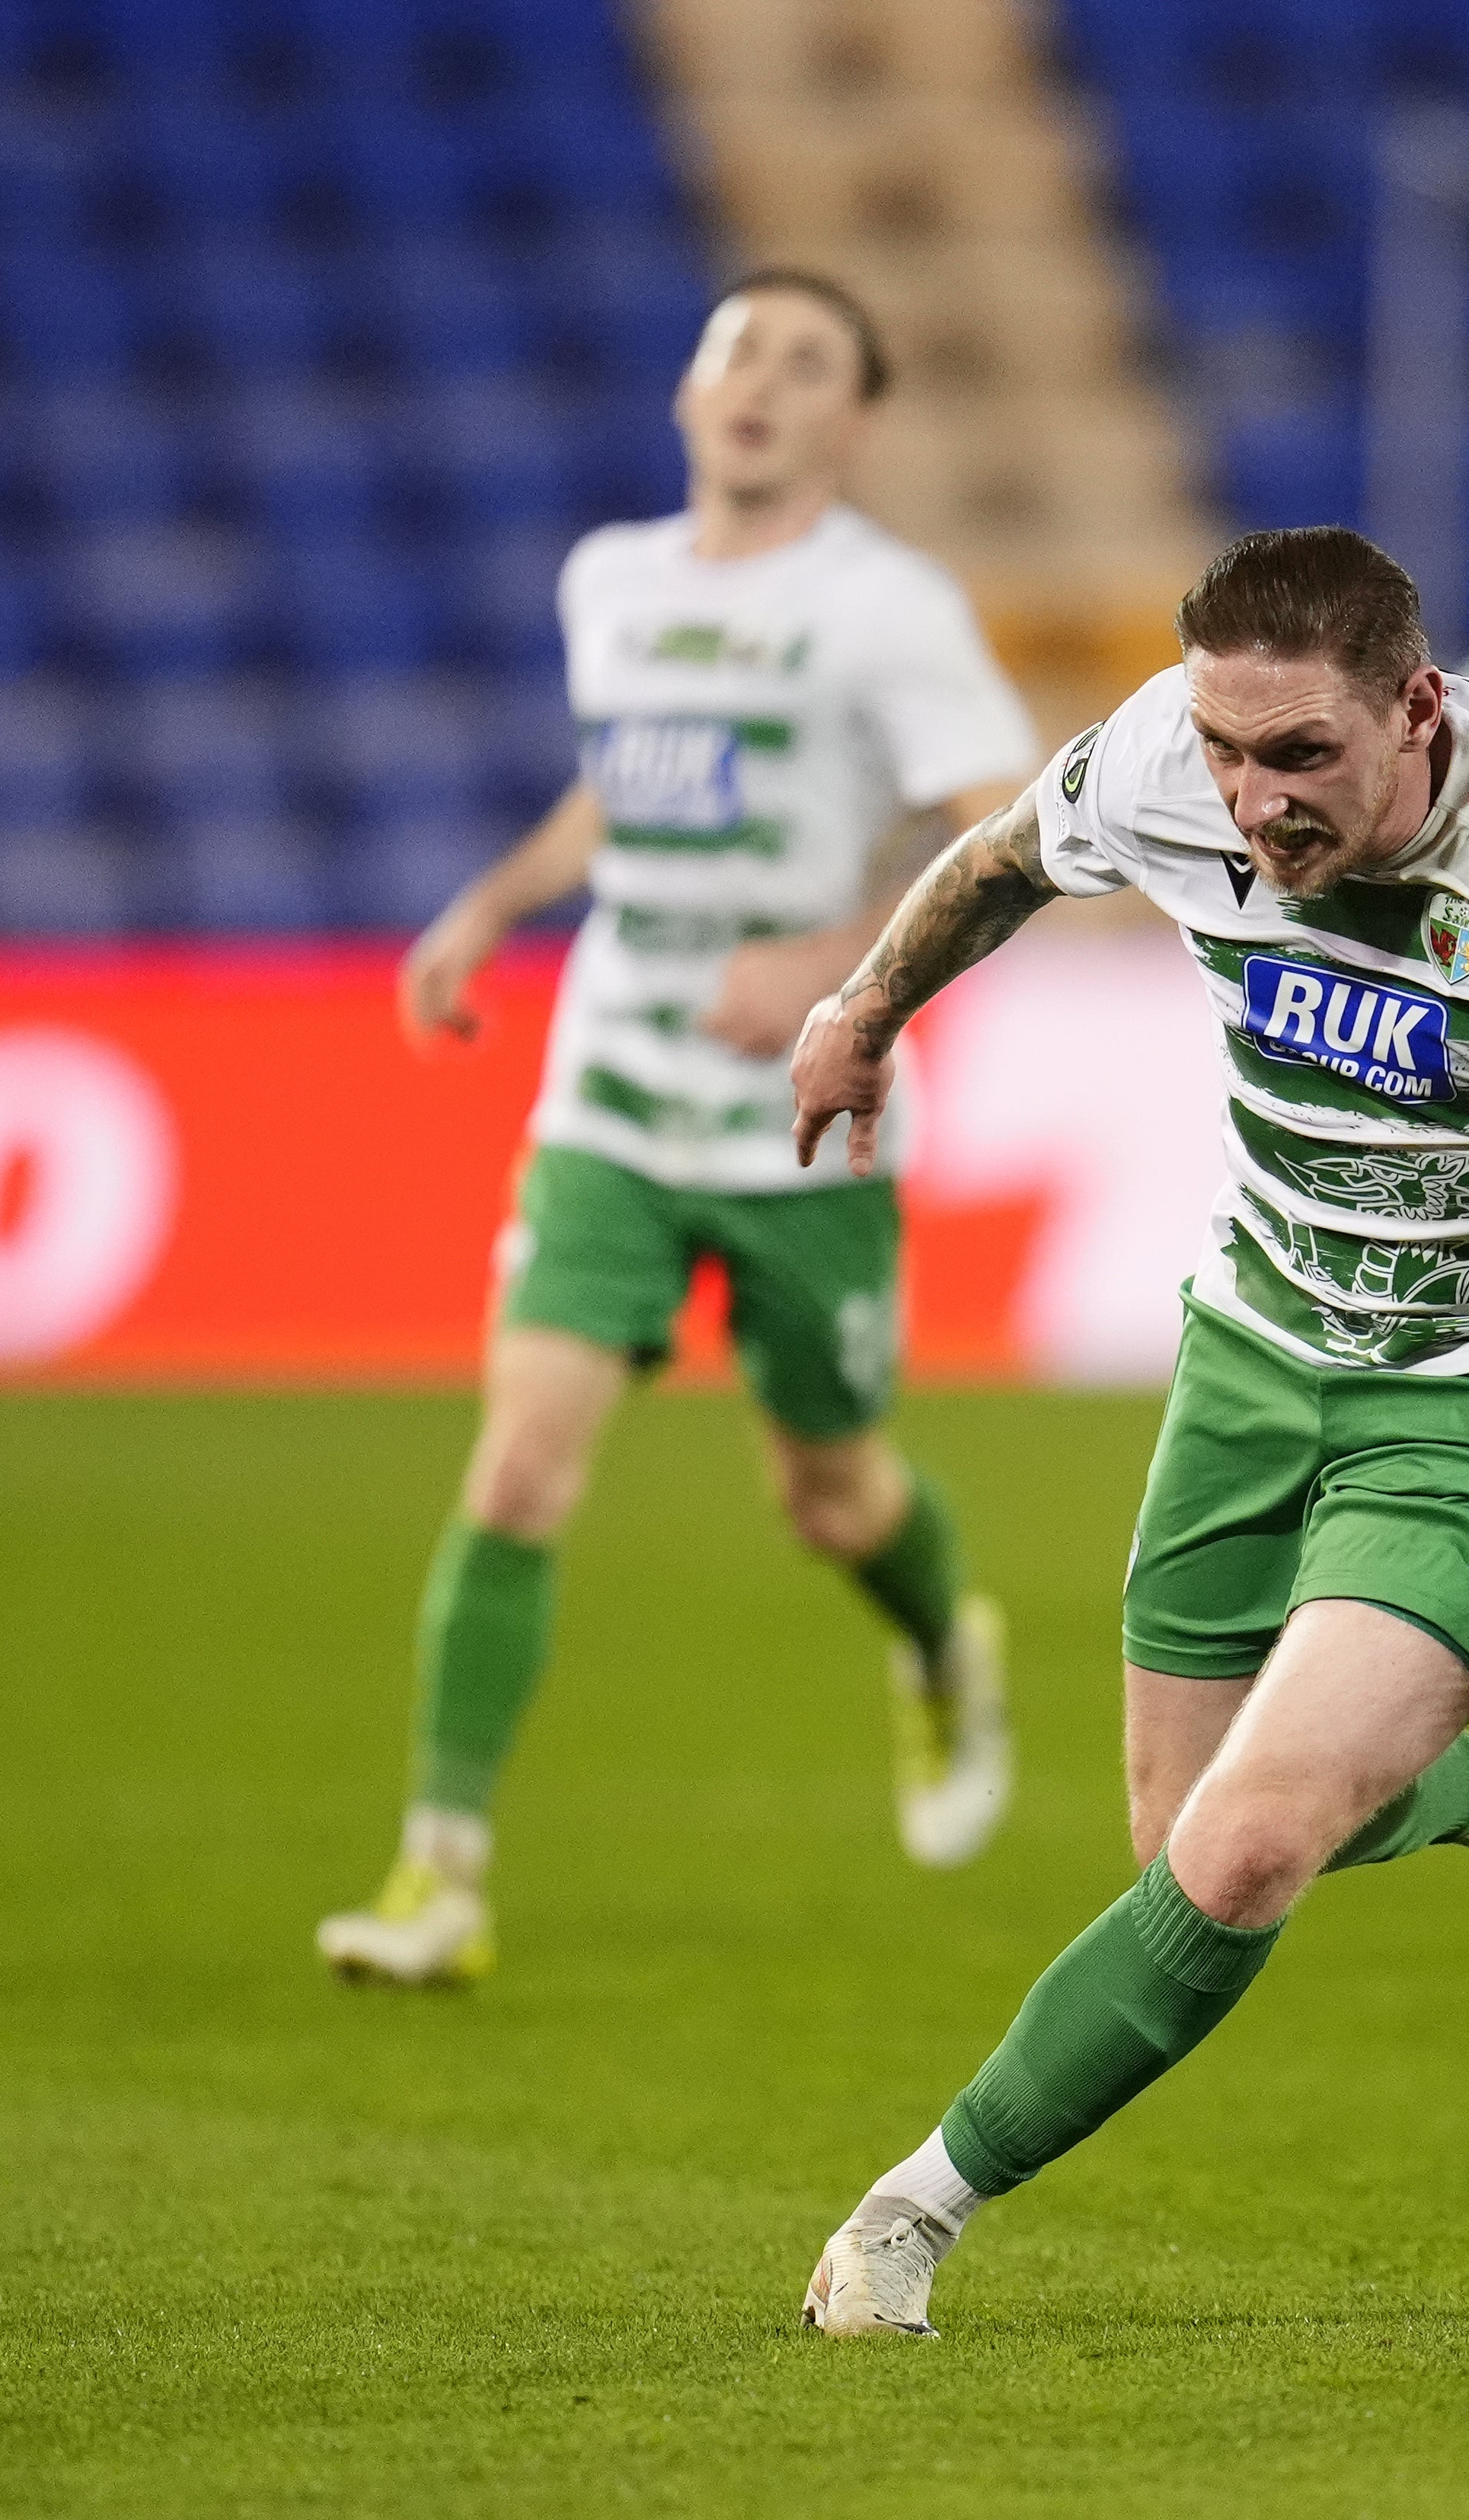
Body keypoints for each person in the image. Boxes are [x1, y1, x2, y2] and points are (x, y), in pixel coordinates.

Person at [788, 526, 1469, 2338]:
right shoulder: (1164, 768)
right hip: (1256, 1345)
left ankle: (907, 2217)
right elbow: (1005, 859)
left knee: (1248, 1849)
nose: (1252, 803)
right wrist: (869, 1007)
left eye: (1300, 757)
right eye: (1224, 753)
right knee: (1182, 1835)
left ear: (1417, 707)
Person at [314, 272, 1036, 1988]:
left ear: (856, 420)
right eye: (737, 352)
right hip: (614, 1093)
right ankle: (443, 1873)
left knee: (832, 1493)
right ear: (689, 392)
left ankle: (946, 1644)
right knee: (517, 1462)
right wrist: (490, 904)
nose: (760, 384)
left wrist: (828, 964)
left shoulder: (888, 607)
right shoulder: (612, 581)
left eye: (806, 363)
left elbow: (1000, 836)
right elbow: (615, 788)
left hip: (811, 1112)